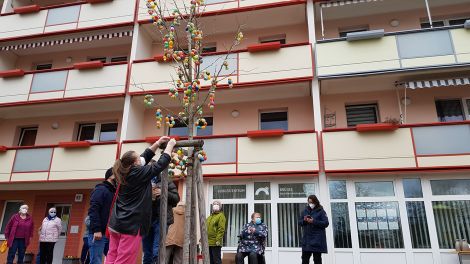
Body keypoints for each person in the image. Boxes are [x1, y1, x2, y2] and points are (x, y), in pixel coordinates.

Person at [105, 136, 176, 264]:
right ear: (134, 164)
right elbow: (160, 165)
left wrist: (157, 143)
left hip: (116, 223)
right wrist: (170, 146)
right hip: (130, 225)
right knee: (124, 259)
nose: (141, 159)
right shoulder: (137, 173)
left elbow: (144, 157)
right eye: (138, 158)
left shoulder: (123, 170)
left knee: (112, 255)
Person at [142, 175, 180, 264]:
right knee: (147, 251)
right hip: (146, 220)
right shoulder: (143, 180)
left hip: (161, 220)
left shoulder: (166, 181)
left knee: (157, 250)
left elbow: (176, 199)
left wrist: (163, 192)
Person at [88, 168, 116, 264]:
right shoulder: (101, 189)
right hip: (99, 233)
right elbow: (93, 210)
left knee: (113, 259)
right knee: (96, 260)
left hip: (111, 233)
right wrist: (97, 230)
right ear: (111, 176)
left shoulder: (114, 192)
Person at [298, 195, 329, 264]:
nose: (310, 204)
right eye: (309, 202)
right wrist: (304, 220)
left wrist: (313, 221)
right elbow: (299, 222)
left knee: (317, 260)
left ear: (316, 202)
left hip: (316, 240)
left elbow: (326, 223)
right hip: (307, 240)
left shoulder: (321, 211)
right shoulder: (305, 211)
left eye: (312, 202)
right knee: (304, 260)